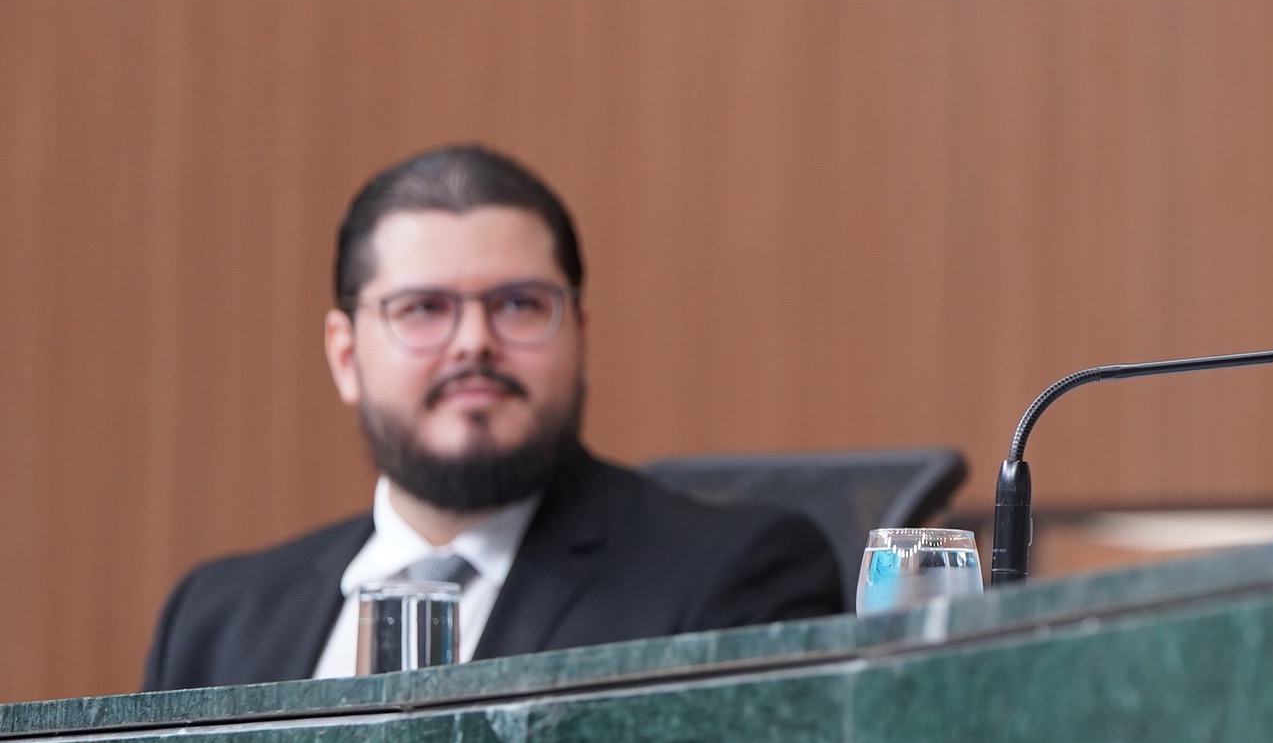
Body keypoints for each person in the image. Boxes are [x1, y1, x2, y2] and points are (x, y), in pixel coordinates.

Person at [144, 146, 847, 691]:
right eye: (423, 309)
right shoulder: (215, 621)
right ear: (345, 355)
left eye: (518, 305)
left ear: (579, 335)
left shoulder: (727, 584)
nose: (474, 342)